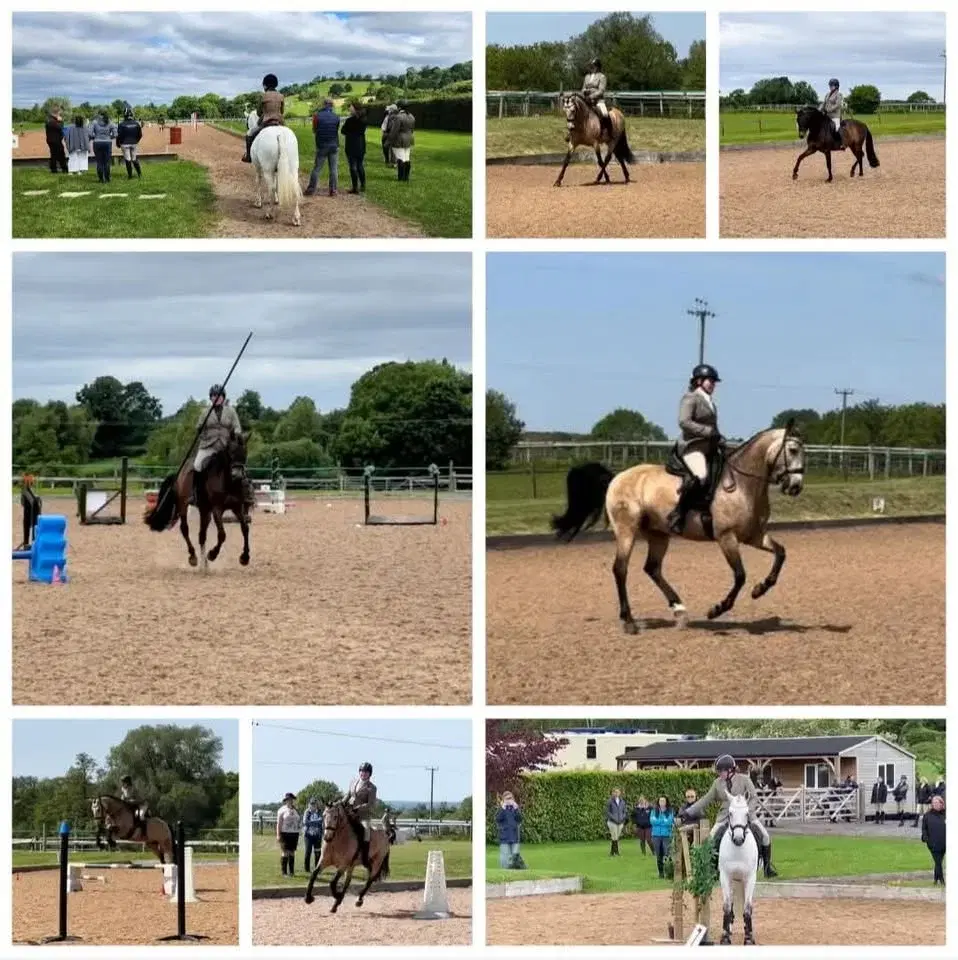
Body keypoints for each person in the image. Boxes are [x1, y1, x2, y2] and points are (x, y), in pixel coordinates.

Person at [678, 754, 778, 878]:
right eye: (719, 771)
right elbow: (705, 799)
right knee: (710, 840)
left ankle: (767, 868)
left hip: (744, 814)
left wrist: (747, 810)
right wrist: (688, 812)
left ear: (730, 770)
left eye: (722, 771)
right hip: (725, 815)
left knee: (765, 836)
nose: (720, 774)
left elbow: (754, 797)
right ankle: (714, 869)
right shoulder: (717, 783)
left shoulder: (744, 780)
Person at [668, 363, 724, 534]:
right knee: (701, 475)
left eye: (714, 382)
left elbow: (713, 428)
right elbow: (684, 422)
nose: (713, 384)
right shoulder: (690, 398)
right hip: (692, 447)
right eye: (710, 381)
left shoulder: (710, 402)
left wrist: (719, 438)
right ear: (699, 381)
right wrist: (708, 431)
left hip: (709, 447)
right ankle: (678, 513)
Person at [190, 384, 252, 508]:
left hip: (225, 447)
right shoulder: (205, 412)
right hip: (208, 446)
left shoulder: (231, 411)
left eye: (219, 396)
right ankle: (195, 493)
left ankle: (247, 494)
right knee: (197, 465)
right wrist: (201, 430)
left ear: (223, 397)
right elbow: (198, 428)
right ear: (211, 398)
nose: (217, 398)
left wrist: (237, 436)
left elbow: (237, 426)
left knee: (239, 466)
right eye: (214, 396)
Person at [342, 762, 377, 870]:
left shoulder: (372, 788)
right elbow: (347, 795)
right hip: (350, 812)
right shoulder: (353, 782)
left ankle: (365, 857)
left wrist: (358, 808)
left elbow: (370, 804)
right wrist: (340, 803)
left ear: (369, 774)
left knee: (366, 831)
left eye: (366, 772)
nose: (363, 773)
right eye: (361, 771)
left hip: (363, 816)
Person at [243, 74, 285, 163]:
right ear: (276, 84)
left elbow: (259, 113)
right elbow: (282, 111)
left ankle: (248, 156)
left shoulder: (263, 96)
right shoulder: (281, 96)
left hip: (266, 122)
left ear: (265, 85)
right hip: (280, 122)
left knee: (249, 134)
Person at [306, 98, 340, 197]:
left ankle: (311, 189)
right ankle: (333, 190)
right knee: (333, 169)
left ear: (324, 105)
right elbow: (336, 129)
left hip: (322, 145)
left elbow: (314, 130)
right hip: (334, 145)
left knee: (317, 168)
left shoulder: (317, 116)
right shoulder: (336, 117)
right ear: (332, 105)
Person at [581, 57, 612, 136]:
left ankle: (607, 131)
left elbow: (601, 91)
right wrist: (584, 91)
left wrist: (591, 96)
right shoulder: (587, 77)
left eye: (594, 66)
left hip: (598, 100)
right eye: (591, 66)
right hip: (586, 100)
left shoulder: (602, 77)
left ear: (598, 67)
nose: (592, 68)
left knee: (605, 113)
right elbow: (583, 88)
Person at [342, 101, 367, 195]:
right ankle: (363, 185)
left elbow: (343, 131)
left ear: (355, 109)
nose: (349, 108)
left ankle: (355, 187)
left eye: (351, 107)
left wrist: (349, 132)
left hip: (351, 144)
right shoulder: (364, 120)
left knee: (353, 166)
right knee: (360, 165)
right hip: (361, 144)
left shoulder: (350, 121)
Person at [386, 101, 415, 182]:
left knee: (400, 158)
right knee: (406, 158)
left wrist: (388, 141)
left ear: (399, 107)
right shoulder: (411, 116)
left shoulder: (398, 117)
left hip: (399, 139)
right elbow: (412, 129)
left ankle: (401, 177)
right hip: (409, 138)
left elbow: (394, 131)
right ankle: (406, 177)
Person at [921, 794, 945, 885]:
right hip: (932, 843)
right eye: (934, 803)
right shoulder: (927, 815)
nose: (935, 804)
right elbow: (924, 828)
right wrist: (926, 838)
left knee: (938, 861)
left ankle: (936, 879)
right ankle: (941, 879)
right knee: (938, 861)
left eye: (937, 803)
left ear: (941, 804)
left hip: (944, 843)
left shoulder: (945, 814)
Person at [649, 796, 674, 879]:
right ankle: (661, 873)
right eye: (660, 801)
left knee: (667, 854)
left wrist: (658, 821)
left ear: (666, 802)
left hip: (666, 835)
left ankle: (668, 871)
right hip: (656, 835)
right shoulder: (654, 811)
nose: (662, 802)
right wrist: (663, 820)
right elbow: (652, 821)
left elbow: (669, 822)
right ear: (658, 802)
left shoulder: (670, 811)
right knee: (659, 855)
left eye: (663, 801)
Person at [276, 792, 301, 876]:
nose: (291, 801)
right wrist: (278, 835)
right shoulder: (281, 810)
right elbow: (279, 823)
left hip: (294, 834)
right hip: (285, 834)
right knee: (285, 852)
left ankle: (291, 872)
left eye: (292, 799)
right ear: (286, 800)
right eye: (289, 799)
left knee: (292, 852)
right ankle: (284, 872)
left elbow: (298, 820)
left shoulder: (295, 809)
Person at [495, 792, 522, 868]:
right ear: (503, 800)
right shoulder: (501, 809)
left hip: (515, 837)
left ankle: (515, 873)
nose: (509, 800)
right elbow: (498, 819)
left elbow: (519, 819)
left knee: (515, 859)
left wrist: (516, 809)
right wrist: (503, 809)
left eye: (510, 798)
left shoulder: (515, 808)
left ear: (513, 799)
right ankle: (505, 872)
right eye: (507, 798)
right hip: (504, 838)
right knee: (505, 859)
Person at [116, 105, 143, 179]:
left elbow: (119, 135)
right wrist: (136, 141)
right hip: (134, 143)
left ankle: (130, 176)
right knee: (134, 159)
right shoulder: (136, 124)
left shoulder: (121, 124)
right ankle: (139, 174)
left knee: (128, 159)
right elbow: (140, 135)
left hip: (124, 144)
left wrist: (118, 143)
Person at [90, 110, 117, 183]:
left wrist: (95, 137)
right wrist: (109, 137)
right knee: (107, 162)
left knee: (99, 162)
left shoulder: (94, 122)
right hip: (107, 143)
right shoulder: (110, 122)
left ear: (99, 114)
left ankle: (101, 179)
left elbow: (90, 133)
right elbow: (115, 134)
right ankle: (107, 179)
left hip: (97, 143)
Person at [302, 797, 324, 873]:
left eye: (314, 804)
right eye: (311, 804)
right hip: (308, 835)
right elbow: (305, 822)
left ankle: (317, 868)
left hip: (317, 835)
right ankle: (307, 869)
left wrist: (311, 822)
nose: (313, 805)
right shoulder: (307, 812)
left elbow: (321, 821)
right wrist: (317, 822)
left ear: (317, 805)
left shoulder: (319, 812)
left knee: (318, 852)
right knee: (308, 851)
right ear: (309, 804)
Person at [822, 78, 844, 148]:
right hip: (827, 115)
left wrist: (829, 110)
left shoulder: (839, 95)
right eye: (830, 85)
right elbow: (823, 103)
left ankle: (842, 142)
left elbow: (837, 105)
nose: (830, 87)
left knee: (837, 128)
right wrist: (819, 110)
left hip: (835, 116)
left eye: (832, 85)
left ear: (836, 86)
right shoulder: (827, 94)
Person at [606, 787, 627, 857]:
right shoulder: (610, 801)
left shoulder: (622, 802)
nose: (616, 793)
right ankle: (616, 852)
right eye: (615, 792)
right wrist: (614, 818)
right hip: (612, 822)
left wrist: (622, 818)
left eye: (618, 792)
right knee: (614, 836)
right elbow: (608, 812)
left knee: (616, 837)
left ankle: (612, 852)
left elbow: (624, 811)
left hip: (620, 822)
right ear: (613, 793)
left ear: (620, 793)